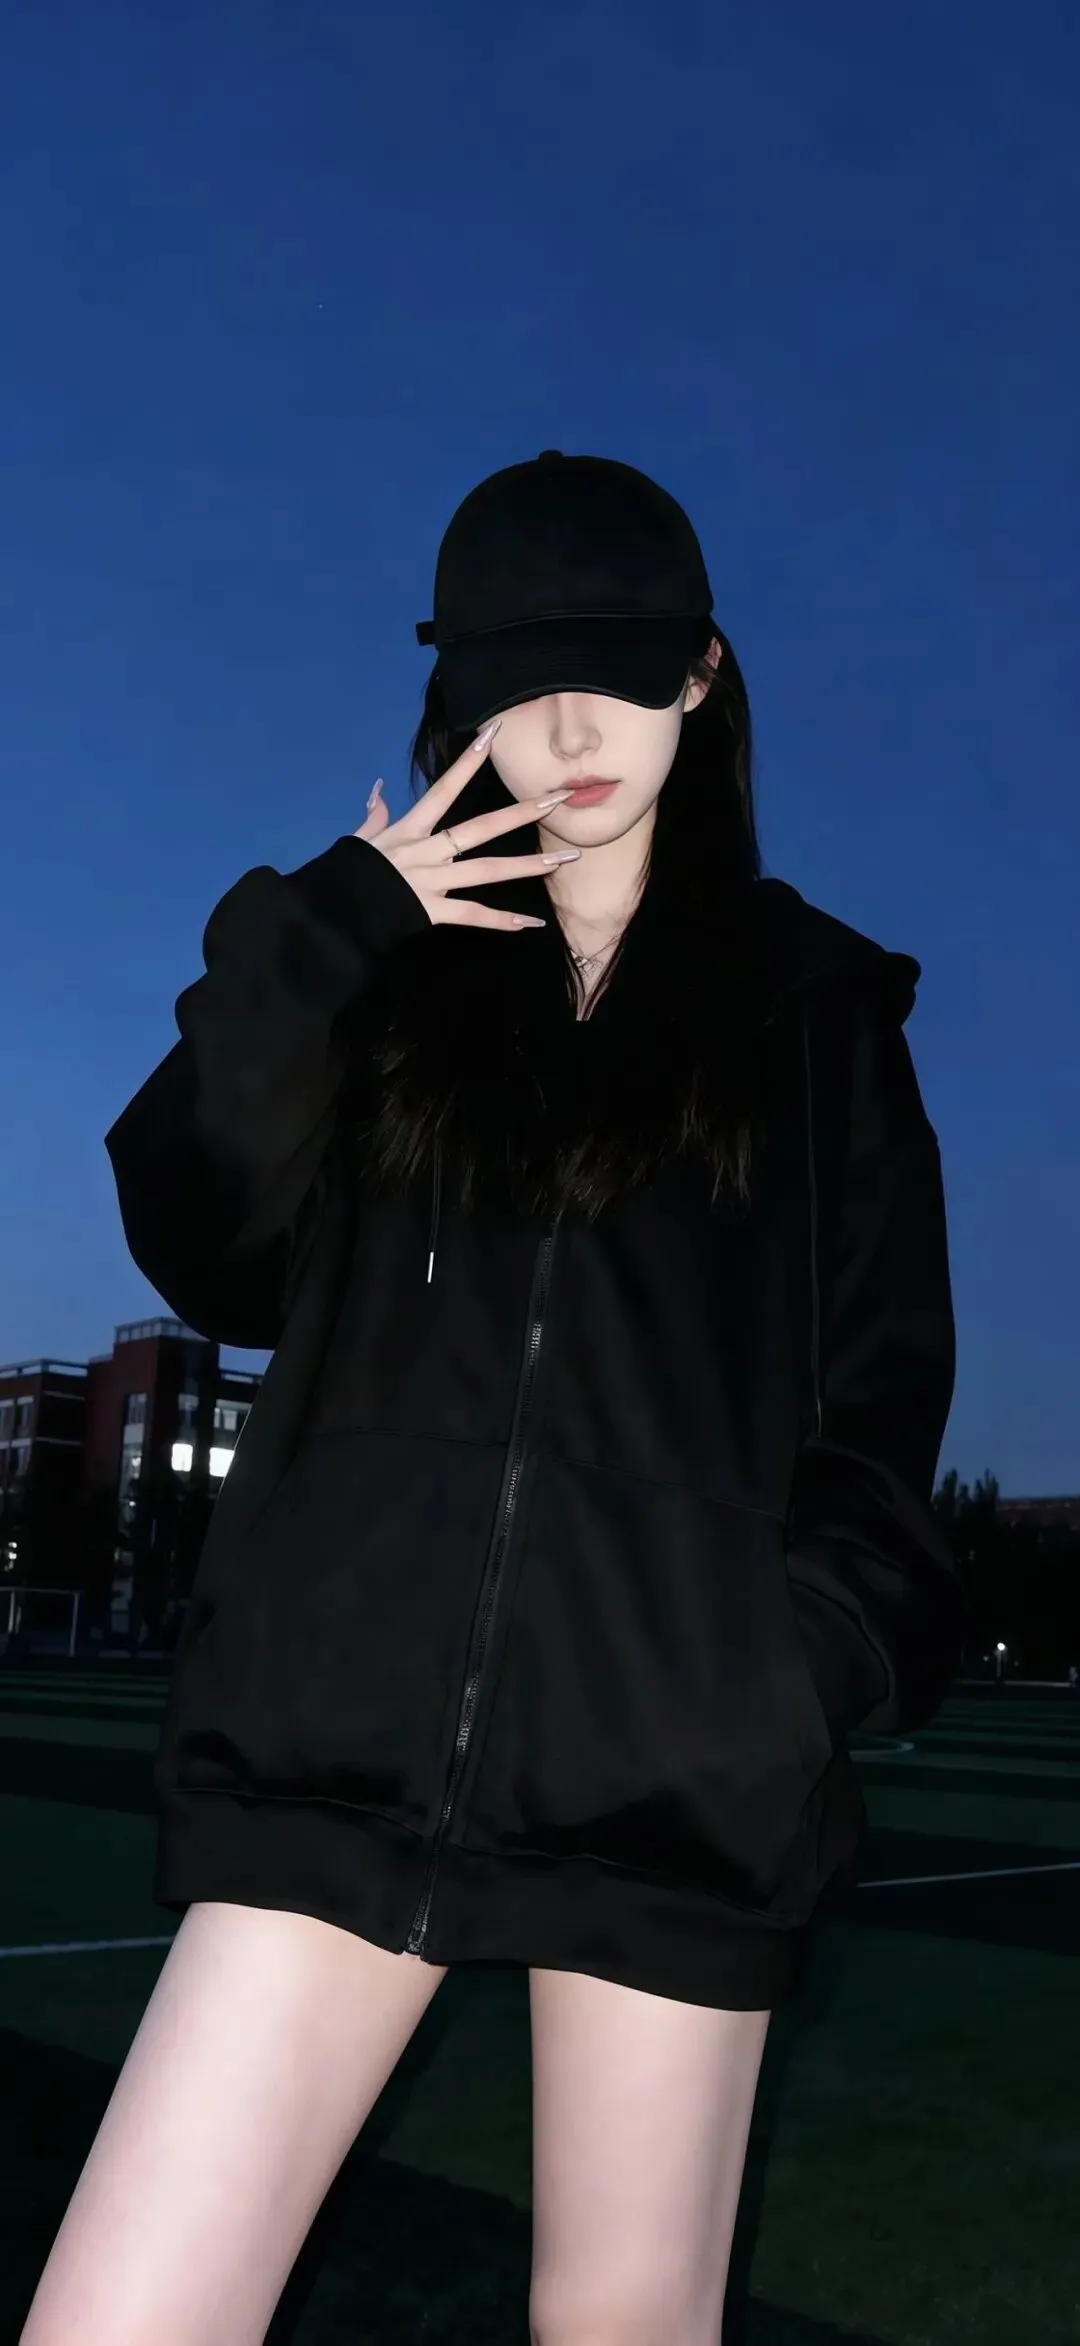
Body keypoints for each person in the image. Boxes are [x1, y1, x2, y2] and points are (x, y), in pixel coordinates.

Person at [23, 452, 963, 2346]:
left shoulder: (817, 1017)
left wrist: (779, 1678)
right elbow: (205, 1243)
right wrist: (332, 930)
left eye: (613, 670)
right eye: (517, 684)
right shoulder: (387, 986)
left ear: (701, 671)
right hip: (329, 1763)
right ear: (456, 697)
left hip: (672, 1790)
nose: (568, 732)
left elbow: (882, 1412)